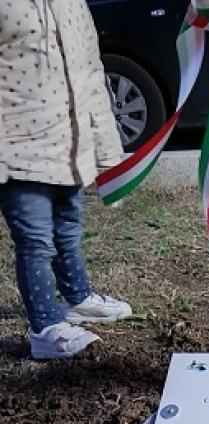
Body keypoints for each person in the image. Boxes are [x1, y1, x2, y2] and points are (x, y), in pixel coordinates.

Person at [0, 0, 132, 360]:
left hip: (67, 146)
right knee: (36, 240)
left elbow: (91, 74)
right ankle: (45, 328)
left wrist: (107, 155)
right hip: (14, 150)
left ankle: (77, 298)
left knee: (68, 227)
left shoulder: (72, 4)